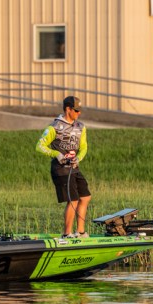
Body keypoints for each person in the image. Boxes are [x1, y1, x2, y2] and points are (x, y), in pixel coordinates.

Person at [36, 95, 90, 238]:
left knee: (85, 197)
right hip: (60, 170)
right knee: (73, 200)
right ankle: (67, 234)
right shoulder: (54, 127)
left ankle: (80, 232)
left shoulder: (81, 127)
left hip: (74, 168)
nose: (79, 113)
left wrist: (78, 158)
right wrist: (56, 154)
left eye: (79, 110)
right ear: (68, 109)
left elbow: (84, 147)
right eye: (76, 110)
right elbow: (40, 146)